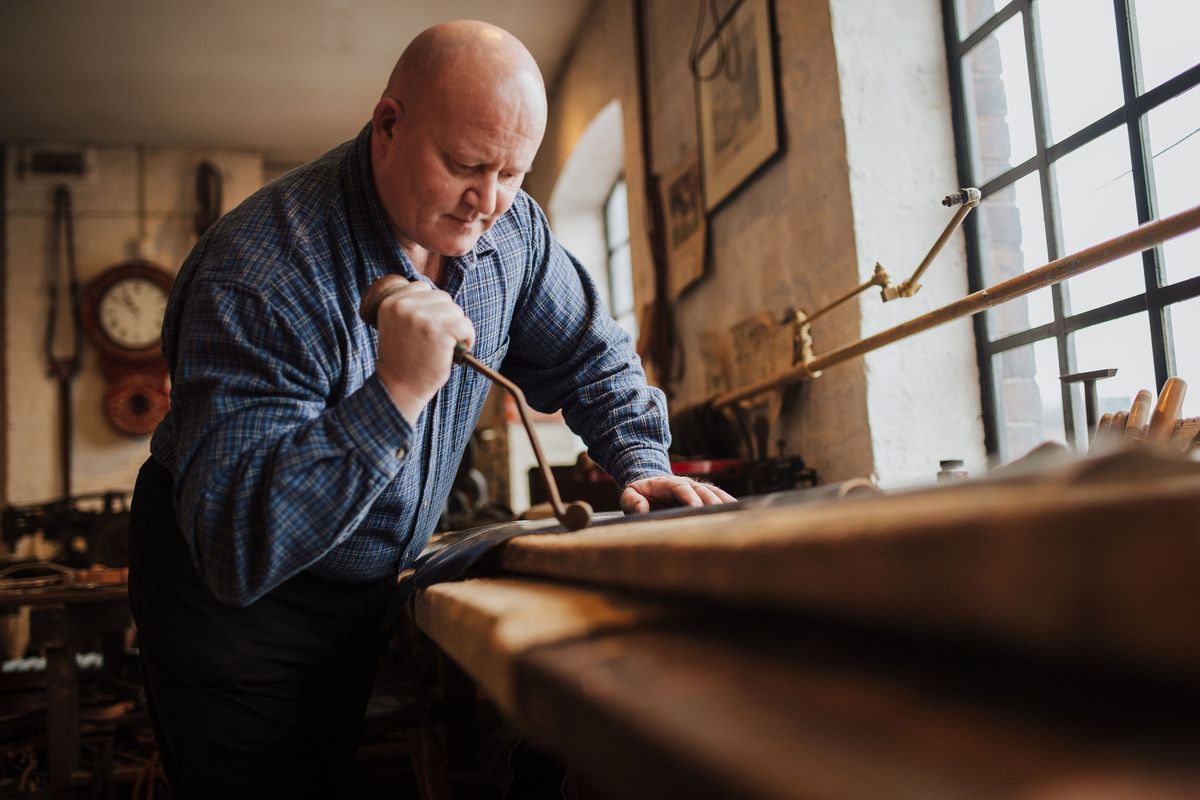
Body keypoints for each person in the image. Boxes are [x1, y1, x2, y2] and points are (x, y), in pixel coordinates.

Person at [127, 19, 734, 797]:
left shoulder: (512, 231)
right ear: (389, 124)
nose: (487, 202)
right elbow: (239, 545)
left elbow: (592, 353)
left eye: (512, 172)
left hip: (369, 582)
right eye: (464, 166)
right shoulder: (259, 272)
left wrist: (643, 465)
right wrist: (396, 394)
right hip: (237, 606)